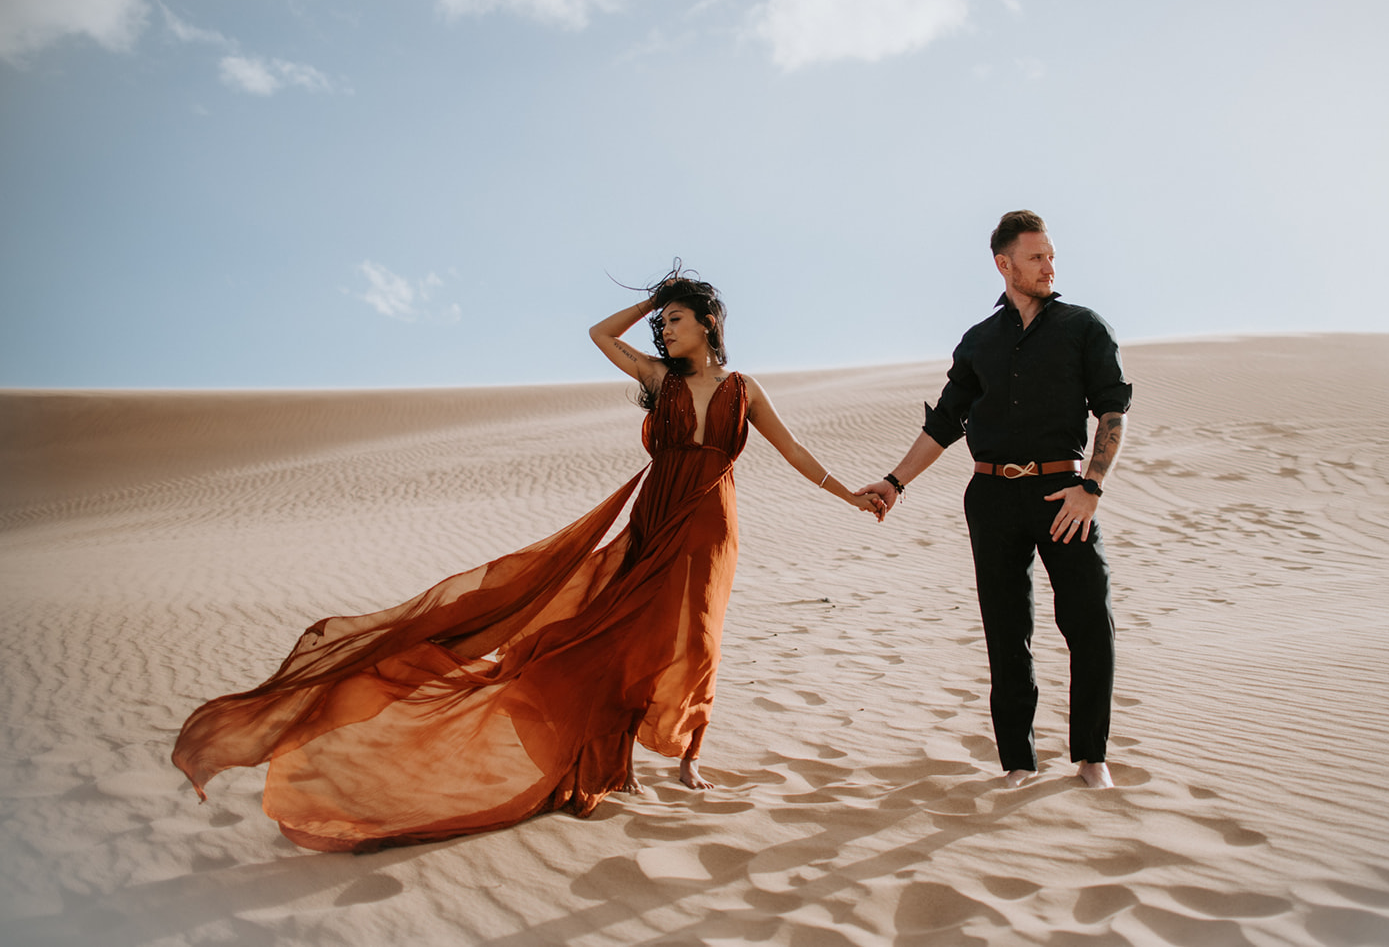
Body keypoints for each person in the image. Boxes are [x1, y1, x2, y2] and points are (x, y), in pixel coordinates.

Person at [171, 268, 883, 851]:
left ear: (708, 324)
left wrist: (849, 496)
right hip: (655, 518)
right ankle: (618, 756)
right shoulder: (658, 379)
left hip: (710, 525)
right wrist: (654, 295)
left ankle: (690, 754)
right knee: (619, 632)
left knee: (695, 635)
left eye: (675, 318)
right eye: (661, 320)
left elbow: (791, 452)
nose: (662, 329)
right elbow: (597, 333)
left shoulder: (742, 389)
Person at [862, 210, 1132, 790]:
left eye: (1052, 255)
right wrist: (895, 481)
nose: (1049, 267)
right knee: (1007, 631)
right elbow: (943, 423)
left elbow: (1112, 410)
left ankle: (1091, 757)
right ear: (1004, 264)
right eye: (1036, 257)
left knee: (1089, 621)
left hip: (1064, 492)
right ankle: (1017, 762)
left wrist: (1092, 488)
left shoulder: (1084, 326)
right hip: (991, 497)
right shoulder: (980, 341)